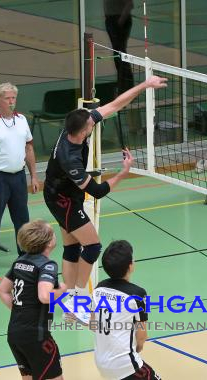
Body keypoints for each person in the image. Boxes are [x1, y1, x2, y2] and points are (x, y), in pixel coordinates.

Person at [43, 75, 167, 323]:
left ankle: (71, 304)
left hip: (62, 194)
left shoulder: (75, 128)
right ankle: (79, 300)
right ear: (83, 131)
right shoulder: (71, 160)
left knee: (71, 247)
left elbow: (113, 106)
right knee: (93, 246)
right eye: (91, 123)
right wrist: (123, 172)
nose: (95, 121)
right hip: (62, 200)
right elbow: (97, 192)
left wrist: (145, 85)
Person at [0, 82, 39, 278]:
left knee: (22, 220)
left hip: (18, 177)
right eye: (7, 98)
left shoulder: (21, 120)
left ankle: (26, 258)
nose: (11, 102)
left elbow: (29, 149)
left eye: (13, 98)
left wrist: (34, 176)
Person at [0, 220, 67, 380]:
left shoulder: (19, 262)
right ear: (49, 243)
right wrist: (62, 291)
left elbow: (2, 291)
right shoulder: (47, 265)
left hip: (14, 334)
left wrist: (20, 309)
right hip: (36, 336)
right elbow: (44, 296)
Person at [91, 240, 160, 380]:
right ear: (130, 266)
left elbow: (93, 324)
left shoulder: (99, 288)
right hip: (125, 365)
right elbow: (141, 337)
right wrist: (136, 347)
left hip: (101, 362)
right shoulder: (137, 294)